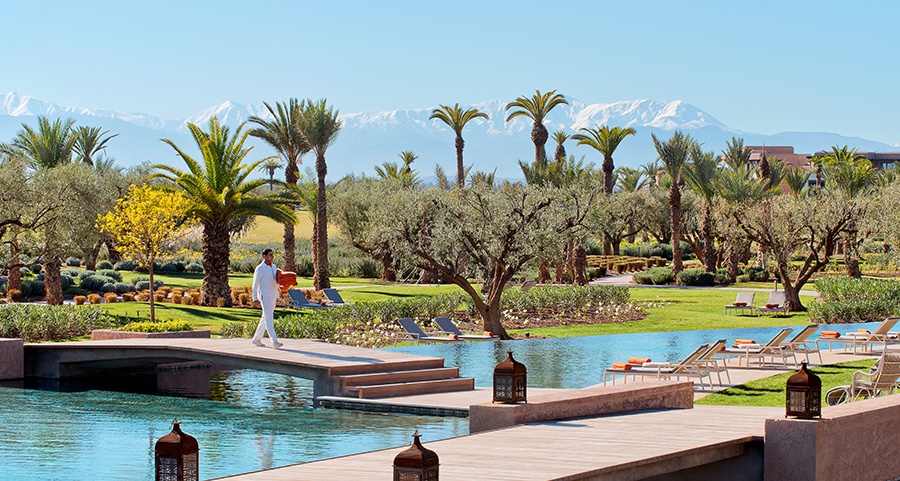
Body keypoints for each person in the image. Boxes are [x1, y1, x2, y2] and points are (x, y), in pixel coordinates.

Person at [251, 248, 283, 349]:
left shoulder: (274, 267)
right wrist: (255, 298)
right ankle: (274, 341)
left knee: (265, 317)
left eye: (272, 255)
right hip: (264, 296)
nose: (272, 257)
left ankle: (256, 339)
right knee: (269, 318)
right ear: (264, 256)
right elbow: (255, 284)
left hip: (273, 295)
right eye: (270, 255)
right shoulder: (260, 268)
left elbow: (276, 280)